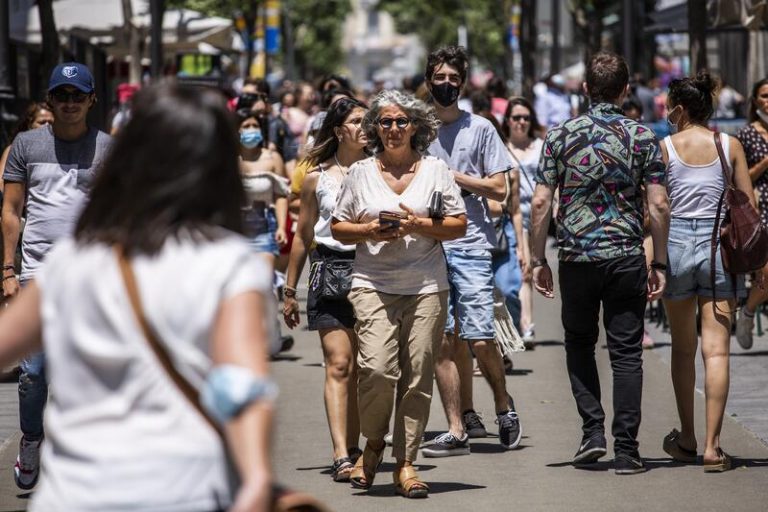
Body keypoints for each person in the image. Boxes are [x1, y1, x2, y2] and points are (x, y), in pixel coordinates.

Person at [0, 83, 277, 511]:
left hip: (77, 492)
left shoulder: (74, 260)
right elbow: (240, 386)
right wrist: (256, 479)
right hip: (187, 488)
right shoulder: (229, 263)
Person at [531, 51, 670, 474]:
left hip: (576, 256)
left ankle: (593, 431)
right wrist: (659, 261)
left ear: (586, 89)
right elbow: (659, 203)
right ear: (626, 89)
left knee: (579, 342)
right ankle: (626, 450)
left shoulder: (559, 137)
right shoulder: (642, 137)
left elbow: (540, 201)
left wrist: (538, 257)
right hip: (625, 255)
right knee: (627, 353)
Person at [331, 90, 467, 498]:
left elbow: (458, 225)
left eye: (401, 122)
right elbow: (339, 227)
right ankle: (373, 445)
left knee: (418, 375)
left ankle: (406, 463)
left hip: (426, 285)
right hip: (373, 284)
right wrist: (370, 230)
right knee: (375, 370)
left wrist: (419, 224)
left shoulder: (436, 171)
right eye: (385, 122)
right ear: (375, 128)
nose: (393, 129)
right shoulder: (360, 173)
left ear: (416, 127)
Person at [2, 63, 113, 490]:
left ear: (91, 100)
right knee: (34, 372)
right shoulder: (26, 144)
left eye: (77, 95)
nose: (69, 103)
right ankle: (32, 440)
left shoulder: (106, 148)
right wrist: (8, 269)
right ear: (50, 100)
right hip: (35, 274)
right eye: (61, 95)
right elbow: (11, 212)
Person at [420, 46, 522, 458]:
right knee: (443, 340)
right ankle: (457, 426)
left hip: (472, 245)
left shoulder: (479, 129)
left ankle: (502, 403)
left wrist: (454, 178)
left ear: (462, 83)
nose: (446, 85)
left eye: (453, 79)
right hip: (427, 246)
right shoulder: (414, 129)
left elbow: (500, 189)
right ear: (428, 80)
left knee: (479, 338)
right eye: (439, 77)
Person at [660, 73, 755, 472]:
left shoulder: (664, 146)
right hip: (720, 248)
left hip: (677, 244)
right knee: (716, 351)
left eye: (668, 106)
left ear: (679, 109)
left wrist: (655, 261)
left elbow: (658, 206)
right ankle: (714, 448)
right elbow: (748, 206)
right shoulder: (728, 144)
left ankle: (687, 437)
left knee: (682, 350)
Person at [282, 97, 369, 481]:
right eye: (356, 121)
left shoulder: (381, 171)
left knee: (368, 369)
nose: (364, 128)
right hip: (329, 270)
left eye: (368, 121)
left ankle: (355, 445)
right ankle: (341, 454)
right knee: (339, 364)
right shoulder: (317, 177)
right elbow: (303, 235)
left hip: (372, 272)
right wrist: (289, 289)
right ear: (338, 131)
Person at [503, 96, 544, 344]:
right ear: (507, 121)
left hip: (538, 216)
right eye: (516, 117)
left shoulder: (540, 146)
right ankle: (525, 324)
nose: (521, 122)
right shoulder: (500, 148)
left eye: (526, 118)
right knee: (523, 270)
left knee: (530, 270)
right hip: (512, 216)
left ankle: (524, 323)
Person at [735, 77, 768, 349]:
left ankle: (749, 311)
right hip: (760, 208)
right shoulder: (746, 134)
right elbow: (742, 177)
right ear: (756, 100)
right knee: (767, 274)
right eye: (765, 96)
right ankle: (747, 312)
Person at [238, 110, 289, 268]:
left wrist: (281, 227)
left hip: (265, 225)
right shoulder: (227, 158)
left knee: (265, 278)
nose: (251, 129)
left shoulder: (273, 158)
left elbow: (281, 195)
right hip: (236, 227)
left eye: (255, 125)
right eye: (246, 126)